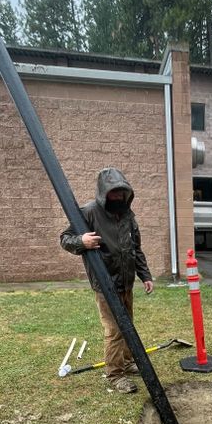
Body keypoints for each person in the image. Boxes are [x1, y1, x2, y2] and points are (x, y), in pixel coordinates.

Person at [61, 167, 154, 393]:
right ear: (104, 193)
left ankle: (127, 361)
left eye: (121, 193)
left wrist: (145, 275)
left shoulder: (128, 215)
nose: (118, 197)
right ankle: (115, 374)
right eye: (113, 193)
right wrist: (82, 241)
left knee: (127, 326)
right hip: (105, 285)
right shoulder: (90, 212)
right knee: (114, 330)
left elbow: (136, 249)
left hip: (126, 283)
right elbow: (65, 238)